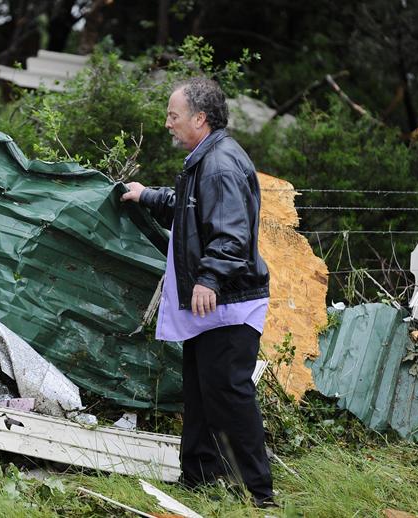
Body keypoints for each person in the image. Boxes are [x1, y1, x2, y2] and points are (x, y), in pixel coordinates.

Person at [121, 77, 274, 507]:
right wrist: (145, 195)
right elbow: (188, 205)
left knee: (229, 394)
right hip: (210, 304)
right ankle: (199, 479)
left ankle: (260, 494)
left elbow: (232, 233)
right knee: (201, 392)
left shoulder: (221, 164)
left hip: (228, 301)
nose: (167, 123)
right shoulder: (204, 159)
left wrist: (209, 278)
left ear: (200, 119)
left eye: (173, 115)